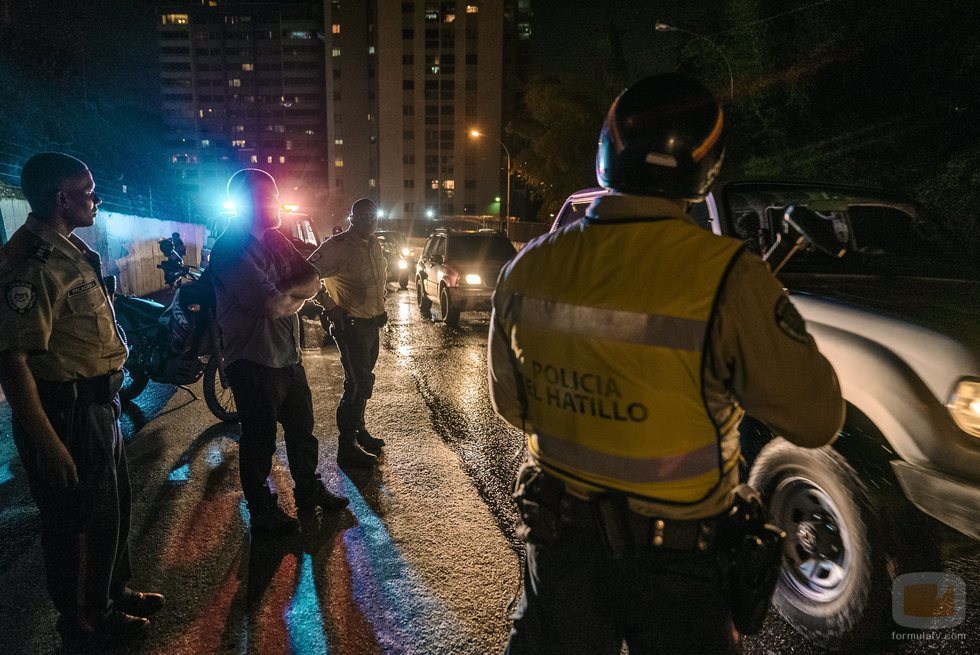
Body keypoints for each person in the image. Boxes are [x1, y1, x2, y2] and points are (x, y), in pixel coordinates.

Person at [488, 74, 845, 655]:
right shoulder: (729, 276)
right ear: (706, 166)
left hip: (562, 551)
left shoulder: (527, 268)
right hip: (680, 569)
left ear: (608, 150)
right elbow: (816, 418)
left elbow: (510, 404)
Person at [0, 153, 164, 647]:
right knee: (75, 522)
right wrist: (47, 442)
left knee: (110, 508)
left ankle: (113, 593)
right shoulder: (32, 265)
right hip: (66, 410)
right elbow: (14, 363)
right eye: (88, 191)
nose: (97, 199)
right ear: (61, 198)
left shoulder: (69, 251)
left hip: (98, 402)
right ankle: (82, 623)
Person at [208, 168, 349, 536]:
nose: (276, 204)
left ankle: (308, 490)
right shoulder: (228, 250)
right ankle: (262, 511)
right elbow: (269, 306)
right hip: (253, 361)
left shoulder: (275, 239)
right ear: (247, 203)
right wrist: (287, 293)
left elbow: (313, 281)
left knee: (303, 430)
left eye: (275, 194)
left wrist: (286, 292)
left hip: (287, 355)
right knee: (259, 440)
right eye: (267, 197)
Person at [308, 198, 387, 469]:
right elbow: (307, 273)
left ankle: (359, 431)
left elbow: (377, 281)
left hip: (371, 324)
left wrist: (381, 305)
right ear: (351, 218)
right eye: (362, 216)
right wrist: (329, 305)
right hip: (351, 326)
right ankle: (346, 446)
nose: (368, 221)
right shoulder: (337, 246)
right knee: (357, 384)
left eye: (372, 216)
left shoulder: (374, 243)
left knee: (363, 381)